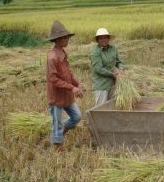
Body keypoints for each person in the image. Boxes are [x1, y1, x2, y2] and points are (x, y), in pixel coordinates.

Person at [46, 21, 83, 150]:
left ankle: (59, 135)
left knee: (77, 116)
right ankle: (57, 149)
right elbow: (53, 79)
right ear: (57, 40)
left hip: (66, 95)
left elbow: (68, 74)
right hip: (56, 97)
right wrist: (72, 88)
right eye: (64, 37)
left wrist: (77, 83)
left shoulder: (63, 53)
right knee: (57, 123)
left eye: (67, 37)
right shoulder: (52, 57)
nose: (67, 39)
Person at [90, 28, 124, 105]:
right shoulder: (95, 52)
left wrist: (121, 69)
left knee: (111, 107)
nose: (103, 40)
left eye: (105, 37)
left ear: (108, 38)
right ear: (97, 40)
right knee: (101, 108)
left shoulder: (113, 49)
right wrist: (112, 74)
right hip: (101, 85)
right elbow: (98, 69)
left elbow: (119, 62)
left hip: (113, 84)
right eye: (101, 38)